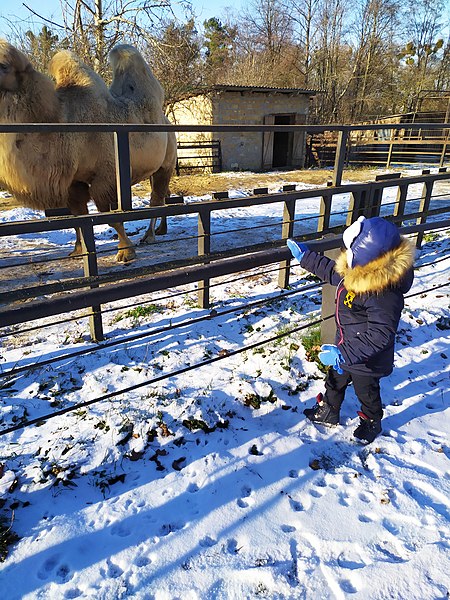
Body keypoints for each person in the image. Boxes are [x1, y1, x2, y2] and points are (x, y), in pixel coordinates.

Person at [287, 216, 415, 443]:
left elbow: (381, 334)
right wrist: (306, 257)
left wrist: (344, 353)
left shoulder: (383, 294)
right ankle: (329, 410)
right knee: (334, 379)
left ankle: (371, 421)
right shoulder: (359, 271)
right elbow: (333, 273)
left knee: (366, 392)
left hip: (367, 359)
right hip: (345, 344)